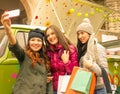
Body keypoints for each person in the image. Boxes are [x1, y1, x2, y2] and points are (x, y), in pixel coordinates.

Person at [1, 12, 53, 94]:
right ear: (28, 42)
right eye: (32, 40)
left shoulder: (46, 59)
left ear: (42, 43)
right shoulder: (24, 55)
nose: (36, 43)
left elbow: (49, 81)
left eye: (39, 40)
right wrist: (8, 30)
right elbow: (14, 45)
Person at [76, 18, 110, 94]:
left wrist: (91, 66)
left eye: (82, 33)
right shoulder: (82, 49)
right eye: (78, 34)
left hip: (97, 89)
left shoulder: (97, 48)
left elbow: (105, 72)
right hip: (84, 87)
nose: (80, 36)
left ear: (89, 33)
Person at [44, 25, 79, 94]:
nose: (50, 37)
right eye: (48, 36)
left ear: (58, 34)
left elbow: (75, 72)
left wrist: (66, 62)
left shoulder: (70, 49)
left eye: (52, 33)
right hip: (53, 89)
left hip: (68, 88)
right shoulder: (48, 52)